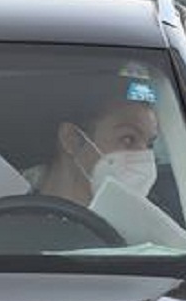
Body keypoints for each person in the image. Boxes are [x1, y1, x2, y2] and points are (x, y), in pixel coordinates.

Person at [25, 74, 160, 207]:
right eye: (128, 139)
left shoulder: (147, 224)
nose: (144, 158)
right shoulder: (11, 212)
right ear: (72, 139)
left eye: (150, 144)